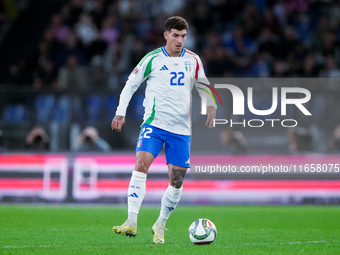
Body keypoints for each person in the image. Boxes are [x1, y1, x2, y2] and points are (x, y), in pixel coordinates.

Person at [111, 16, 216, 243]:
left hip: (181, 130)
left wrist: (210, 104)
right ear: (166, 35)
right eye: (176, 35)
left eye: (183, 36)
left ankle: (160, 224)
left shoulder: (193, 60)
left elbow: (203, 84)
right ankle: (131, 221)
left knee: (176, 180)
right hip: (154, 124)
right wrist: (121, 111)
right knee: (141, 164)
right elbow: (130, 85)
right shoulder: (152, 59)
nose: (180, 40)